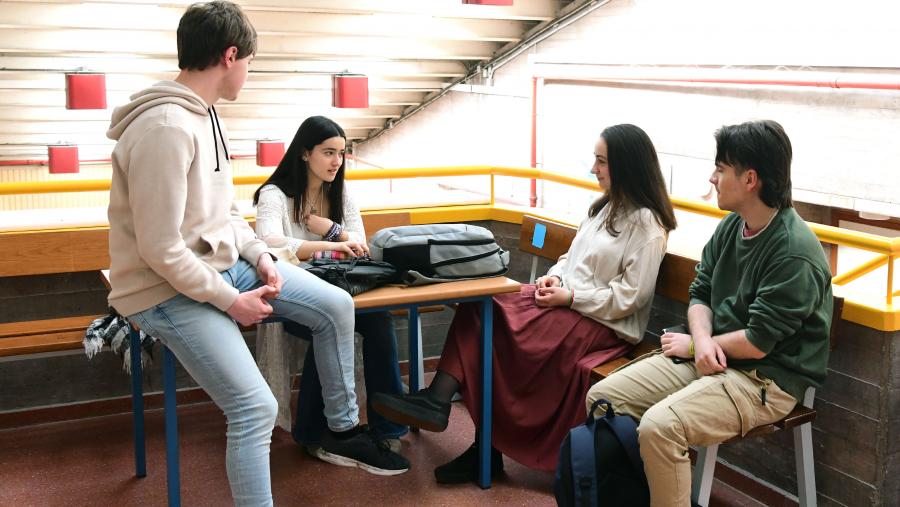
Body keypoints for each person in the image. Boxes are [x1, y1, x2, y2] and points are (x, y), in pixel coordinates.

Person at [105, 3, 408, 505]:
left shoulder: (206, 117)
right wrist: (230, 301)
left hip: (220, 265)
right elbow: (160, 250)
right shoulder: (166, 128)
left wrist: (261, 256)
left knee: (337, 305)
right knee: (254, 409)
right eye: (248, 61)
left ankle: (340, 429)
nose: (248, 71)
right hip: (161, 290)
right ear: (229, 56)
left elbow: (225, 213)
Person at [372, 124, 678, 482]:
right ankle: (446, 410)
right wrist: (557, 278)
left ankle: (463, 427)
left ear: (628, 166)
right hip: (567, 303)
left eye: (602, 162)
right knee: (482, 304)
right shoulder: (604, 209)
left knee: (497, 331)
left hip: (602, 325)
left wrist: (572, 296)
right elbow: (571, 258)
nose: (594, 169)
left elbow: (631, 297)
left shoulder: (647, 224)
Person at [586, 120, 833, 507]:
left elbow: (757, 342)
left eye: (720, 169)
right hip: (714, 356)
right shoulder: (733, 226)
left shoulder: (793, 251)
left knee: (660, 427)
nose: (713, 177)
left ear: (750, 179)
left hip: (765, 380)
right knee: (604, 397)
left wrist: (697, 346)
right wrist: (700, 343)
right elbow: (700, 292)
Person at [253, 115, 408, 458]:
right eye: (328, 152)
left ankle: (388, 426)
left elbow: (360, 245)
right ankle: (312, 432)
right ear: (305, 153)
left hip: (341, 290)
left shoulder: (340, 194)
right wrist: (333, 246)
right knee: (327, 324)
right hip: (292, 295)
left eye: (341, 153)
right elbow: (270, 243)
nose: (336, 161)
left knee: (378, 322)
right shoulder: (274, 195)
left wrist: (330, 230)